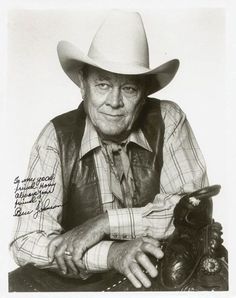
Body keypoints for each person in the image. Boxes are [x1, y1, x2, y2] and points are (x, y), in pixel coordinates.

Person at [10, 10, 209, 290]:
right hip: (80, 283)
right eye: (102, 85)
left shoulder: (169, 120)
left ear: (144, 93)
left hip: (158, 275)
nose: (113, 102)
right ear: (83, 85)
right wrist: (111, 254)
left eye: (128, 89)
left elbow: (190, 211)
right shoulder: (54, 138)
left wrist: (105, 223)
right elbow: (26, 241)